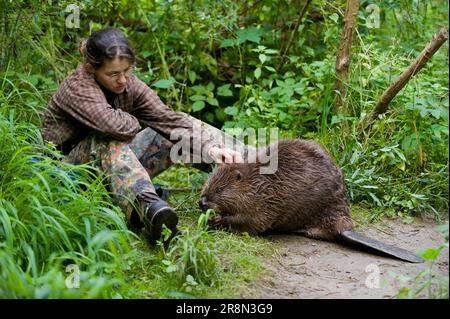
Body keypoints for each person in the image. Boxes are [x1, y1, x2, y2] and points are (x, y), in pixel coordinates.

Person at [41, 27, 243, 242]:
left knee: (173, 127)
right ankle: (150, 211)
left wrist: (211, 148)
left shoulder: (127, 82)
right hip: (69, 179)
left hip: (116, 173)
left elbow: (168, 119)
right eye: (113, 74)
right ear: (91, 69)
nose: (123, 80)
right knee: (107, 139)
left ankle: (254, 166)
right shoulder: (79, 87)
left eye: (127, 71)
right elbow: (117, 128)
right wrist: (139, 120)